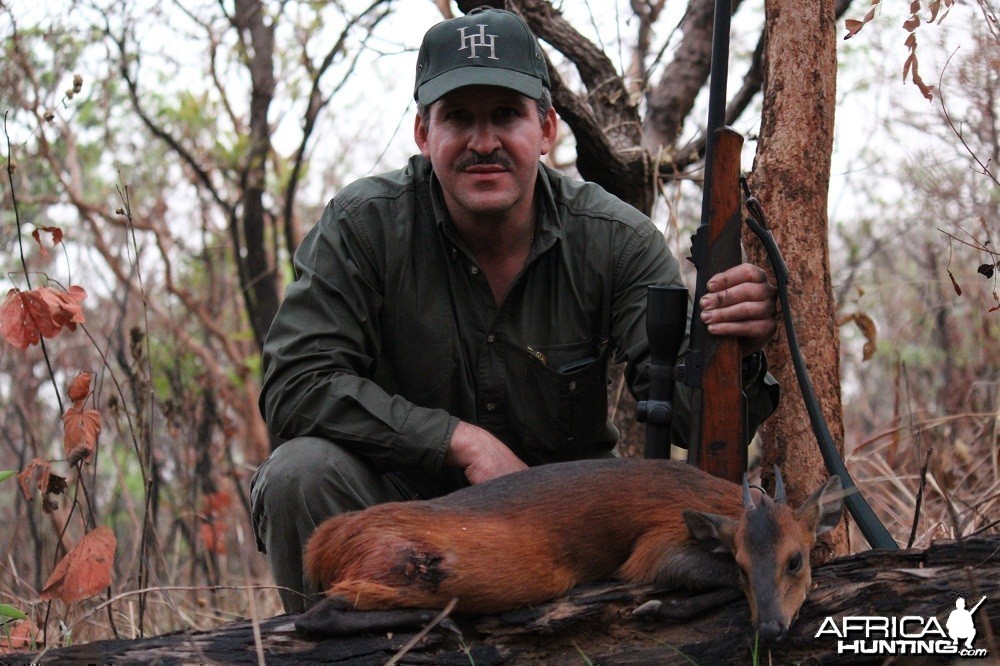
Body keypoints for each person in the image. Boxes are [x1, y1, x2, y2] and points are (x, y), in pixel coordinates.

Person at [250, 7, 780, 613]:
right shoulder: (364, 225)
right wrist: (461, 441)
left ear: (547, 127)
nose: (483, 142)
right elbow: (296, 383)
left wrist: (737, 345)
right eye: (458, 118)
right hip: (402, 513)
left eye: (505, 115)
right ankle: (332, 647)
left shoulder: (616, 239)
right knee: (300, 473)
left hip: (563, 533)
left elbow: (693, 418)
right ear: (424, 133)